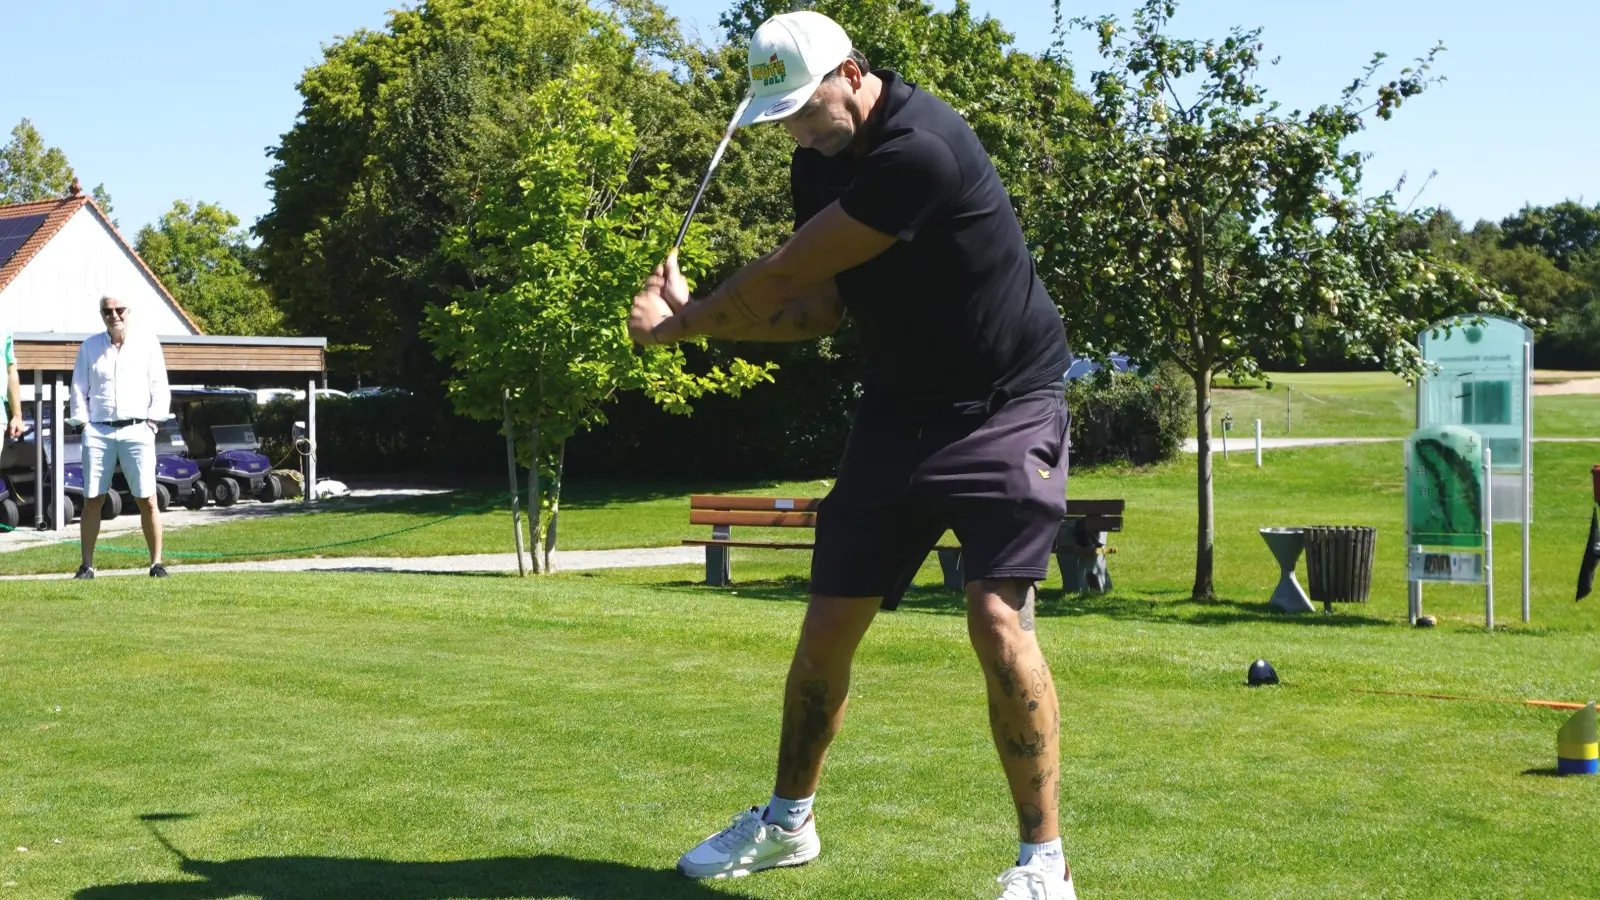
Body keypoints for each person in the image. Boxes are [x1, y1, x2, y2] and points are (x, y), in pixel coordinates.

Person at [628, 11, 1076, 899]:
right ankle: (788, 822)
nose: (794, 130)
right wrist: (704, 330)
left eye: (803, 108)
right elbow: (817, 312)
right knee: (826, 628)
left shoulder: (921, 152)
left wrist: (680, 325)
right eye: (780, 116)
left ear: (852, 72)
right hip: (900, 412)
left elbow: (783, 275)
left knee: (996, 619)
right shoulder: (819, 162)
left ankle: (1043, 866)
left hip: (1007, 408)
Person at [68, 295, 171, 578]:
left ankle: (156, 563)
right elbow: (78, 388)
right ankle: (87, 565)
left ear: (129, 310)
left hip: (138, 429)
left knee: (147, 498)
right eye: (107, 310)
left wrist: (152, 422)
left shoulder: (148, 343)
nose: (113, 315)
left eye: (119, 309)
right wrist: (84, 425)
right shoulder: (90, 347)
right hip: (98, 430)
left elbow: (160, 386)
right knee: (93, 499)